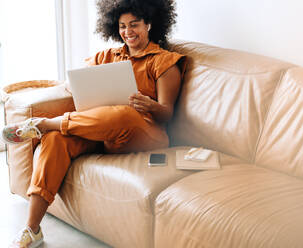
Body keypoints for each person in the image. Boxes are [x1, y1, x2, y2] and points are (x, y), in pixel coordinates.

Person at [4, 0, 185, 247]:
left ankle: (45, 123)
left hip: (145, 133)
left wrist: (150, 105)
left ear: (150, 24)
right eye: (122, 26)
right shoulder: (106, 56)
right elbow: (73, 83)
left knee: (124, 113)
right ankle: (32, 228)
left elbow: (167, 113)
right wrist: (75, 86)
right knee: (54, 139)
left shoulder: (164, 61)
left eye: (134, 25)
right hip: (102, 132)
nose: (127, 31)